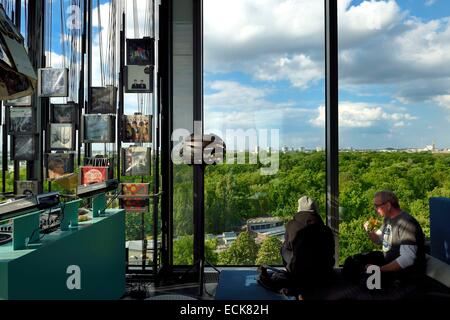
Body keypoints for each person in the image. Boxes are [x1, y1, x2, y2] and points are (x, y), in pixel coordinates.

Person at [344, 190, 426, 291]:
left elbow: (408, 259)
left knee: (366, 278)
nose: (375, 209)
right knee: (352, 261)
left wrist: (379, 269)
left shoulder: (406, 223)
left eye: (377, 205)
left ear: (388, 205)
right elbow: (378, 240)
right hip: (387, 259)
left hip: (403, 272)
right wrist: (370, 230)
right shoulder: (388, 218)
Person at [258, 196, 335, 297]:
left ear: (299, 209)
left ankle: (292, 274)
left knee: (284, 248)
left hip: (300, 272)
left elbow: (288, 247)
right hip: (323, 272)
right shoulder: (326, 230)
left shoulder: (291, 225)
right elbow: (331, 251)